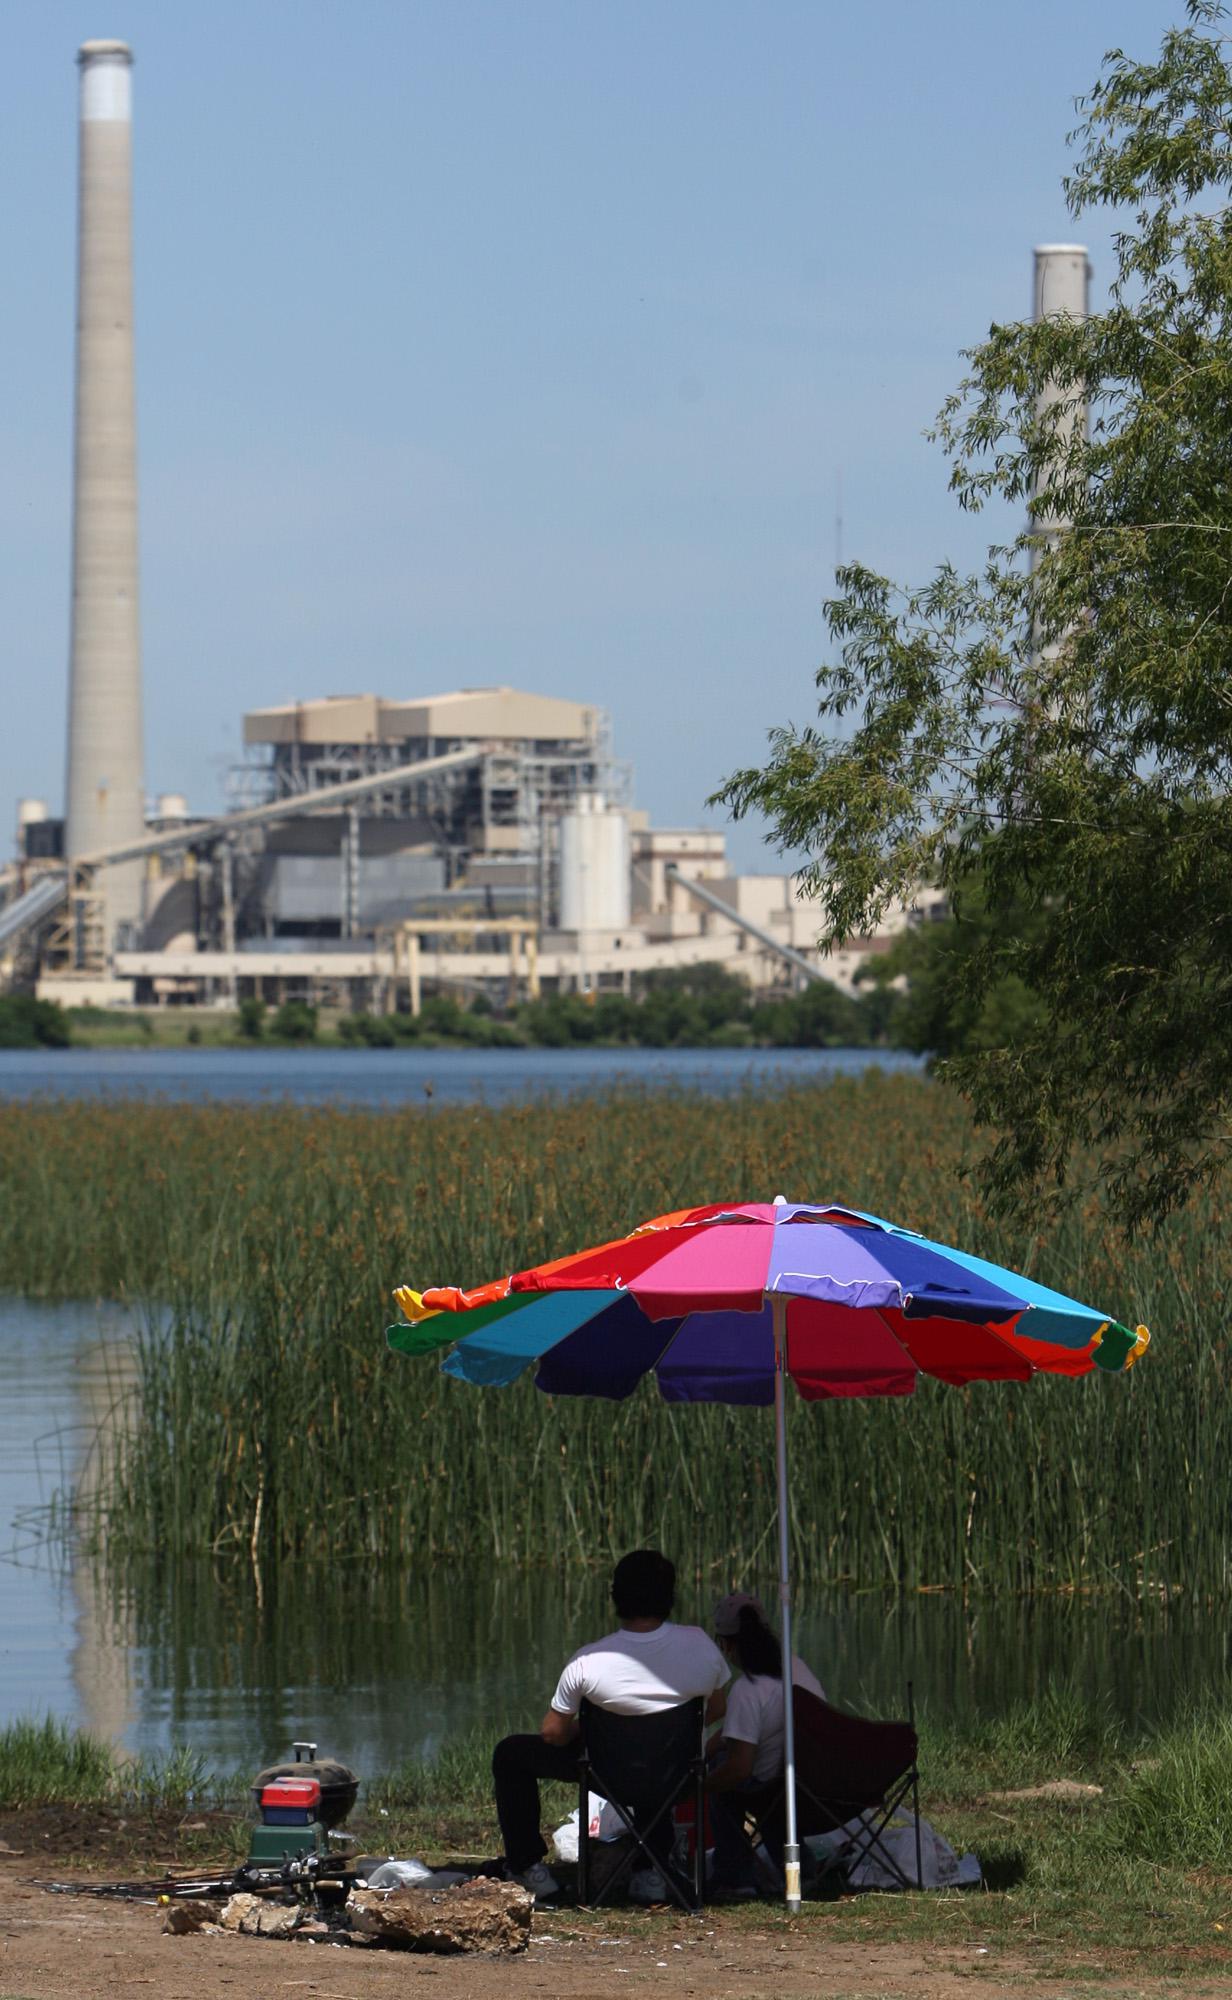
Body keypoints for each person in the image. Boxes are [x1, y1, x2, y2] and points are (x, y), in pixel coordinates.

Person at [491, 1549, 728, 1902]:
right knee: (655, 1752)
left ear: (616, 1597)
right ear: (670, 1597)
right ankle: (650, 1872)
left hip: (608, 1775)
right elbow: (719, 1708)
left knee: (510, 1753)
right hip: (676, 1773)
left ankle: (527, 1867)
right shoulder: (700, 1646)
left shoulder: (589, 1660)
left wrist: (587, 1730)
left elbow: (552, 1734)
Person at [704, 1591, 824, 1896]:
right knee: (763, 1787)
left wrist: (699, 1785)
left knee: (723, 1780)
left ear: (726, 1645)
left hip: (775, 1790)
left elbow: (739, 1769)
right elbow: (736, 1730)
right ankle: (803, 1871)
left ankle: (735, 1877)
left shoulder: (747, 1689)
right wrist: (706, 1749)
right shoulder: (795, 1667)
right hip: (815, 1785)